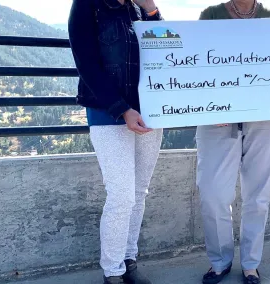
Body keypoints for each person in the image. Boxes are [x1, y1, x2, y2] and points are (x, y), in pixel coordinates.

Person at [68, 0, 163, 283]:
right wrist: (123, 108)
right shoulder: (87, 5)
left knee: (139, 192)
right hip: (108, 113)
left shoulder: (139, 8)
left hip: (148, 113)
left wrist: (153, 11)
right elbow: (86, 64)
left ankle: (128, 260)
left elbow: (166, 52)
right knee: (122, 195)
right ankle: (113, 272)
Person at [195, 1, 270, 284]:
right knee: (212, 194)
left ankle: (251, 263)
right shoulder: (210, 15)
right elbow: (196, 63)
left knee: (258, 196)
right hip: (216, 117)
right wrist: (208, 105)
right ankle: (220, 260)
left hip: (267, 119)